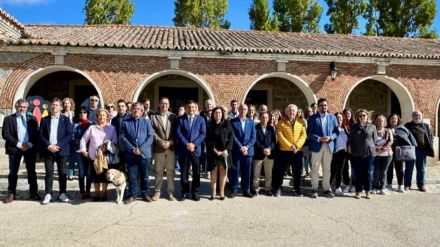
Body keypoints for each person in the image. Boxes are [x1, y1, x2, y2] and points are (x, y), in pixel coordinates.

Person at [2, 99, 40, 203]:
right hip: (15, 148)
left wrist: (29, 144)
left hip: (29, 148)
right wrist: (19, 144)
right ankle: (11, 193)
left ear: (27, 108)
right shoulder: (8, 119)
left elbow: (36, 134)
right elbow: (6, 134)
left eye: (24, 107)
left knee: (31, 172)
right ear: (16, 107)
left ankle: (33, 193)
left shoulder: (32, 119)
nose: (22, 109)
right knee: (13, 172)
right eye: (20, 107)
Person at [80, 108, 118, 201]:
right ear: (96, 117)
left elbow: (115, 141)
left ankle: (104, 194)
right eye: (99, 115)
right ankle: (97, 195)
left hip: (106, 157)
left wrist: (107, 148)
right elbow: (83, 139)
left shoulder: (112, 128)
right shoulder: (92, 128)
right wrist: (84, 150)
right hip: (94, 156)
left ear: (107, 117)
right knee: (95, 176)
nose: (101, 117)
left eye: (103, 115)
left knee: (105, 176)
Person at [40, 98, 73, 204]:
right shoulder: (44, 119)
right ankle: (48, 194)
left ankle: (62, 193)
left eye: (57, 105)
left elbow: (69, 135)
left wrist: (58, 145)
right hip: (48, 150)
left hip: (61, 150)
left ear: (61, 107)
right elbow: (41, 135)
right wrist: (49, 146)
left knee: (62, 173)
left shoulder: (65, 120)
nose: (54, 106)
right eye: (53, 105)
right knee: (49, 173)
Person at [120, 102, 155, 203]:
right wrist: (132, 149)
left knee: (145, 176)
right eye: (134, 108)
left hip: (144, 154)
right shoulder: (126, 122)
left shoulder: (147, 122)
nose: (136, 110)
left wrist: (141, 149)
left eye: (139, 109)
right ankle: (132, 195)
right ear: (131, 110)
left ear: (142, 111)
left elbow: (150, 137)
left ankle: (145, 193)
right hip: (131, 154)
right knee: (132, 176)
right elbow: (122, 137)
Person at [272, 104, 307, 197]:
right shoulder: (281, 123)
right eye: (290, 110)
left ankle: (297, 189)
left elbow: (304, 136)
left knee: (297, 171)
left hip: (297, 152)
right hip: (283, 151)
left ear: (296, 112)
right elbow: (280, 136)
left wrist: (296, 146)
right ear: (286, 112)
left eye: (294, 111)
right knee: (280, 171)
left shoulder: (301, 122)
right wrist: (289, 146)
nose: (292, 112)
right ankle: (278, 188)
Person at [307, 98, 339, 198]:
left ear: (327, 106)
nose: (323, 107)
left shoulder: (333, 118)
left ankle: (326, 188)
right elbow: (309, 133)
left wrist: (331, 137)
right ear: (318, 106)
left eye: (325, 105)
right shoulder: (312, 118)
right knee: (315, 168)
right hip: (317, 145)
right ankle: (314, 188)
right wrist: (319, 138)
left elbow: (336, 132)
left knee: (327, 168)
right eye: (321, 105)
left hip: (329, 145)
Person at [175, 100, 206, 201]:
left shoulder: (201, 119)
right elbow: (178, 133)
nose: (191, 109)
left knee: (196, 172)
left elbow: (203, 134)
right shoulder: (180, 119)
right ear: (186, 108)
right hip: (184, 150)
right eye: (189, 107)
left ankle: (195, 192)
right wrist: (187, 144)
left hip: (196, 150)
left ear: (196, 108)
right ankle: (185, 192)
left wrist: (194, 144)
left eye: (193, 107)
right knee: (184, 173)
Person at [151, 97, 177, 201]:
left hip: (171, 149)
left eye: (166, 103)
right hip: (159, 148)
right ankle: (157, 192)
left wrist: (170, 142)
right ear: (159, 104)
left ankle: (170, 193)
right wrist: (161, 142)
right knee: (158, 171)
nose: (164, 105)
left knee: (170, 171)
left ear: (169, 105)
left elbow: (177, 132)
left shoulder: (174, 117)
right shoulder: (153, 117)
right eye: (162, 103)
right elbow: (152, 132)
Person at [206, 107, 234, 200]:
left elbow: (231, 137)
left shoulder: (227, 123)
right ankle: (213, 193)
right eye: (216, 113)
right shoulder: (209, 125)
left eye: (219, 113)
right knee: (213, 171)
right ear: (213, 114)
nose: (218, 115)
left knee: (223, 171)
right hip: (213, 152)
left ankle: (222, 193)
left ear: (222, 114)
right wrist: (215, 151)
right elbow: (207, 139)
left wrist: (226, 150)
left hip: (225, 152)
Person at [349, 109, 377, 199]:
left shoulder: (372, 127)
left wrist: (371, 147)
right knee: (358, 173)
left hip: (369, 153)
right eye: (360, 116)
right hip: (357, 153)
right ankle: (358, 191)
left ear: (367, 117)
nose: (362, 117)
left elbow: (374, 140)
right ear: (358, 117)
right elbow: (351, 139)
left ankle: (368, 191)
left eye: (364, 115)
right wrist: (350, 148)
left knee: (368, 172)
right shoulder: (354, 127)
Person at [230, 103, 256, 198]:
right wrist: (241, 147)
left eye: (245, 109)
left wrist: (247, 147)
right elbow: (233, 136)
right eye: (241, 109)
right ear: (238, 110)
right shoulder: (233, 122)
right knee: (235, 171)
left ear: (247, 111)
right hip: (237, 150)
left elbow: (253, 137)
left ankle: (246, 190)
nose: (243, 111)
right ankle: (234, 189)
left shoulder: (251, 122)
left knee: (247, 172)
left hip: (248, 152)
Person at [404, 110, 434, 192]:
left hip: (422, 151)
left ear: (421, 116)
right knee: (409, 168)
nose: (417, 117)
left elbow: (430, 137)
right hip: (410, 150)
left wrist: (430, 146)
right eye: (415, 115)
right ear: (412, 116)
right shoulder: (407, 125)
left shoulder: (425, 126)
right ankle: (407, 185)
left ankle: (421, 185)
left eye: (419, 115)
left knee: (421, 169)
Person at [387, 113, 416, 193]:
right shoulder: (386, 128)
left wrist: (394, 133)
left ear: (398, 120)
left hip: (399, 151)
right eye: (392, 118)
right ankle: (389, 185)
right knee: (389, 169)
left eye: (395, 118)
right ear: (389, 120)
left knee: (399, 169)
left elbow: (406, 137)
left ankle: (401, 185)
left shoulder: (402, 128)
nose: (393, 120)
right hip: (388, 151)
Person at [252, 112, 276, 196]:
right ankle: (255, 189)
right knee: (256, 174)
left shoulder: (271, 128)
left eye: (266, 117)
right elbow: (255, 141)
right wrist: (263, 149)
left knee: (268, 173)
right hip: (259, 154)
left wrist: (269, 148)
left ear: (268, 118)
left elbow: (274, 141)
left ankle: (268, 188)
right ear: (260, 118)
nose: (265, 119)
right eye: (263, 117)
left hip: (269, 154)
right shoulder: (255, 128)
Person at [72, 108, 93, 199]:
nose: (82, 114)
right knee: (81, 172)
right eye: (80, 112)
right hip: (79, 152)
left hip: (89, 151)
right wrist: (80, 148)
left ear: (87, 114)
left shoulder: (92, 124)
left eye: (84, 112)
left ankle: (88, 191)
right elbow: (73, 138)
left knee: (89, 172)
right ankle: (82, 192)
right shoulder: (76, 125)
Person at [372, 115, 393, 195]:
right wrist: (377, 148)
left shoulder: (388, 130)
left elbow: (390, 141)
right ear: (376, 122)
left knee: (384, 171)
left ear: (385, 122)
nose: (380, 122)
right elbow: (371, 141)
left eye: (382, 121)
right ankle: (374, 187)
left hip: (386, 154)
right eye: (378, 120)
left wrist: (383, 148)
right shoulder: (373, 131)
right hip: (376, 153)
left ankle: (383, 188)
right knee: (376, 171)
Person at [329, 112, 348, 196]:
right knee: (333, 170)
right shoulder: (332, 129)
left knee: (340, 170)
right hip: (335, 152)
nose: (339, 120)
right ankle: (328, 186)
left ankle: (338, 187)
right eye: (337, 118)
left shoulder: (345, 129)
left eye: (340, 118)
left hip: (343, 152)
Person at [111, 99, 131, 173]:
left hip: (129, 148)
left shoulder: (131, 118)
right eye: (119, 106)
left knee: (130, 169)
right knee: (120, 169)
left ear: (126, 107)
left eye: (122, 106)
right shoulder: (114, 120)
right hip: (119, 148)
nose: (121, 108)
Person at [62, 97, 76, 181]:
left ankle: (70, 174)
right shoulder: (61, 115)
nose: (67, 105)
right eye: (65, 103)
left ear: (71, 104)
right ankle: (63, 173)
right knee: (64, 157)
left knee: (72, 156)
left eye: (68, 103)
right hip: (64, 137)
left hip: (73, 137)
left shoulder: (75, 114)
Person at [342, 108, 356, 193]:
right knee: (345, 167)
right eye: (346, 114)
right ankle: (346, 184)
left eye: (349, 113)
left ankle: (354, 185)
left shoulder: (355, 124)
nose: (348, 115)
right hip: (344, 148)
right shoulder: (341, 124)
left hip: (353, 149)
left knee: (354, 167)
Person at [302, 107, 313, 177]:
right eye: (308, 111)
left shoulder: (314, 119)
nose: (309, 112)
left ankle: (312, 171)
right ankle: (306, 172)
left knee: (312, 158)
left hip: (312, 141)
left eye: (311, 111)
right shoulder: (304, 120)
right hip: (305, 141)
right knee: (306, 157)